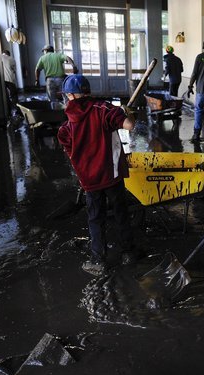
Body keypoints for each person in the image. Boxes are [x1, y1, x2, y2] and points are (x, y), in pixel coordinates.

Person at [57, 74, 139, 276]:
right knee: (121, 212)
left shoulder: (67, 124)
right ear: (88, 91)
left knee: (95, 218)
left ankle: (98, 261)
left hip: (89, 179)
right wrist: (128, 113)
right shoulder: (104, 110)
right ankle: (128, 253)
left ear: (70, 96)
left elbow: (67, 147)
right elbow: (129, 125)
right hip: (111, 175)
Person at [1, 50, 19, 116]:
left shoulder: (0, 57)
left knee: (4, 95)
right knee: (13, 94)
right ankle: (16, 109)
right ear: (8, 54)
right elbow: (14, 70)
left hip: (2, 79)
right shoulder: (11, 59)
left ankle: (7, 109)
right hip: (10, 79)